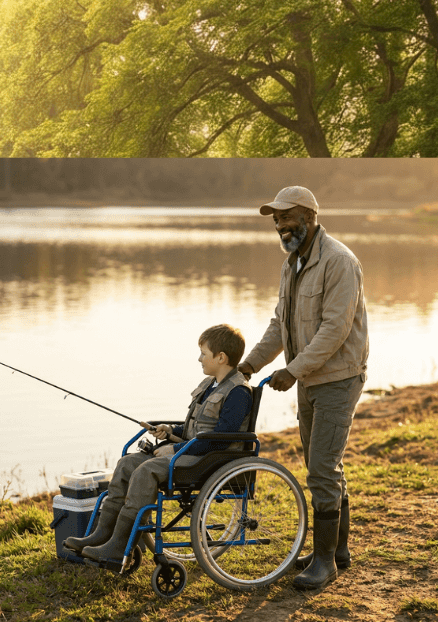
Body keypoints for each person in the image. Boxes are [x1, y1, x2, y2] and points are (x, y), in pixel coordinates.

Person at [236, 186, 369, 592]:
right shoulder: (292, 262)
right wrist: (249, 364)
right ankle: (337, 552)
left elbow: (334, 330)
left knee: (321, 469)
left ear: (309, 217)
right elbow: (281, 324)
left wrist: (291, 371)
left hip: (337, 378)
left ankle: (325, 563)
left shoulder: (339, 261)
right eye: (276, 219)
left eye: (287, 217)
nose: (280, 225)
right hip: (309, 378)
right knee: (324, 465)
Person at [64, 324, 253, 568]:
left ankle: (119, 546)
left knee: (146, 470)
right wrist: (170, 431)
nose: (199, 358)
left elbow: (219, 438)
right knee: (127, 464)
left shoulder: (238, 392)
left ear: (221, 357)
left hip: (210, 460)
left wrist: (174, 449)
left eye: (204, 354)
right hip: (192, 451)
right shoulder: (210, 384)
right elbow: (194, 429)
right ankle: (103, 535)